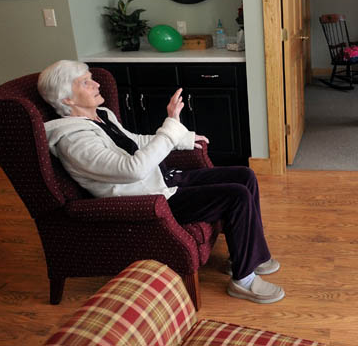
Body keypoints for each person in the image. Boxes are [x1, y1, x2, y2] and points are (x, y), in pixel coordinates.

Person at [38, 60, 285, 304]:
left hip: (162, 180)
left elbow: (134, 141)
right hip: (147, 201)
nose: (96, 84)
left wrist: (183, 139)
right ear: (67, 99)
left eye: (91, 78)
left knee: (244, 175)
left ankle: (244, 257)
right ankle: (244, 280)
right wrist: (170, 127)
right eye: (85, 82)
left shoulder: (101, 116)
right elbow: (132, 170)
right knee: (236, 196)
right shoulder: (75, 141)